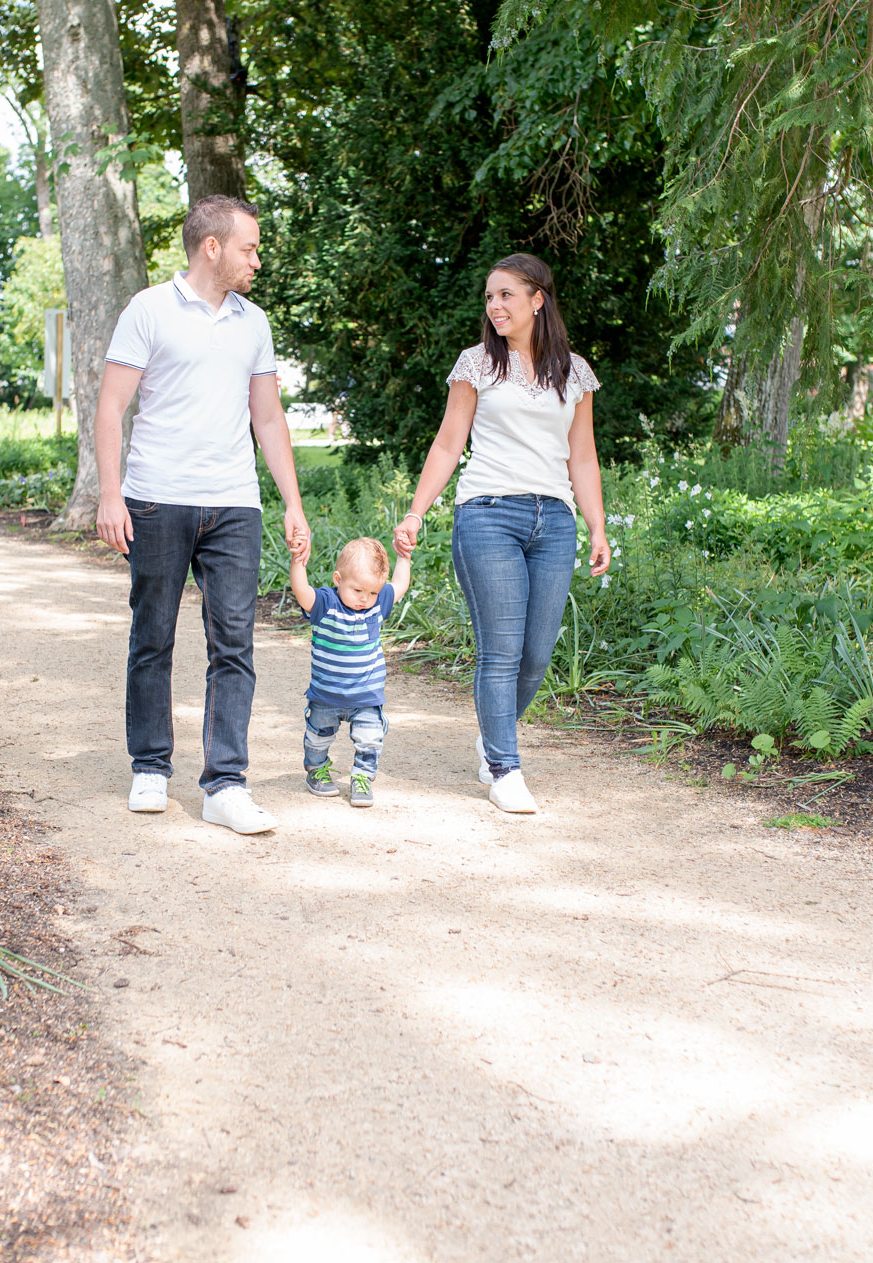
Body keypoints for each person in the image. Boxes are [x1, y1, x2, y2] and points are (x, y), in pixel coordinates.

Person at [94, 196, 310, 836]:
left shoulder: (254, 322)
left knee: (234, 644)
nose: (258, 259)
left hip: (235, 503)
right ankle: (151, 767)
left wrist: (291, 501)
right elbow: (111, 410)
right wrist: (111, 494)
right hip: (157, 497)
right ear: (211, 246)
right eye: (249, 247)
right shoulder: (148, 309)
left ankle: (225, 784)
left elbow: (267, 418)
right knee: (152, 635)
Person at [393, 254, 610, 813]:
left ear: (538, 299)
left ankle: (493, 735)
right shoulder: (477, 365)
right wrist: (417, 512)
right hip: (488, 514)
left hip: (554, 521)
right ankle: (504, 768)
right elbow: (448, 444)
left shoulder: (573, 371)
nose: (494, 306)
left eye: (506, 295)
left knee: (537, 654)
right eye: (489, 297)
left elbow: (582, 457)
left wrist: (597, 526)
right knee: (502, 651)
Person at [287, 534, 412, 808]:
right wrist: (298, 562)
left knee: (370, 741)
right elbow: (302, 591)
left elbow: (401, 584)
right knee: (318, 739)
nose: (365, 599)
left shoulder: (377, 604)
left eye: (373, 592)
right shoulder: (324, 604)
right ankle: (316, 771)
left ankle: (363, 777)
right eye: (358, 590)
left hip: (366, 696)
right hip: (326, 695)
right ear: (338, 579)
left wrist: (404, 557)